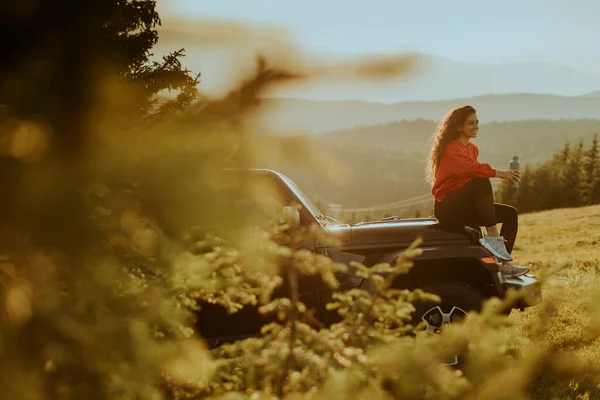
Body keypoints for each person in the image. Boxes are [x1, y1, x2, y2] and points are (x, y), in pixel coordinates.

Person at [425, 105, 529, 278]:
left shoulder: (472, 149)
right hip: (447, 208)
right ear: (459, 126)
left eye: (477, 122)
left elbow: (471, 176)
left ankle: (506, 265)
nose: (476, 126)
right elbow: (471, 169)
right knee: (481, 180)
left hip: (464, 206)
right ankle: (494, 240)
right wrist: (501, 174)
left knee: (510, 214)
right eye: (470, 123)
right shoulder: (452, 148)